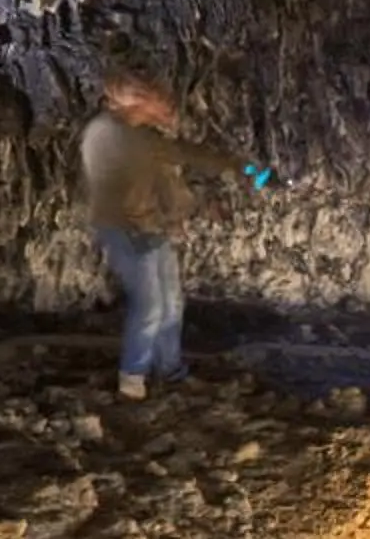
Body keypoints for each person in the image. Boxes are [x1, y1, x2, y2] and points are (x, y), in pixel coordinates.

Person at [81, 66, 271, 400]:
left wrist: (238, 171)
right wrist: (238, 173)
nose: (165, 108)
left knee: (171, 304)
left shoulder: (130, 133)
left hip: (150, 227)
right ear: (134, 103)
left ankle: (169, 371)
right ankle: (132, 378)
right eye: (153, 101)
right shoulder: (117, 135)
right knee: (151, 306)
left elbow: (178, 161)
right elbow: (173, 164)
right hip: (127, 230)